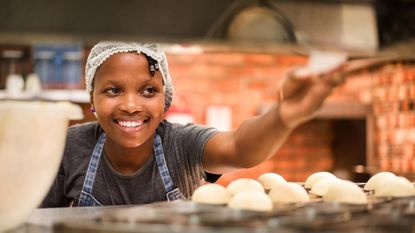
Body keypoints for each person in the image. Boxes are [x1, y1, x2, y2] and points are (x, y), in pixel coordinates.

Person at [40, 41, 345, 207]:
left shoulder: (181, 145)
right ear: (91, 99)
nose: (131, 105)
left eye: (148, 91)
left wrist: (284, 115)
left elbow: (240, 148)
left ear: (165, 103)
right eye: (113, 90)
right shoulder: (69, 147)